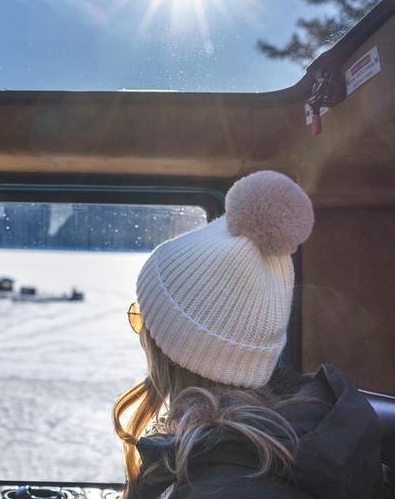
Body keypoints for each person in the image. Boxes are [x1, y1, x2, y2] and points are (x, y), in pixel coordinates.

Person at [114, 171, 383, 498]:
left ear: (175, 351)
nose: (141, 336)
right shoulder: (298, 438)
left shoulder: (221, 486)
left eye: (144, 319)